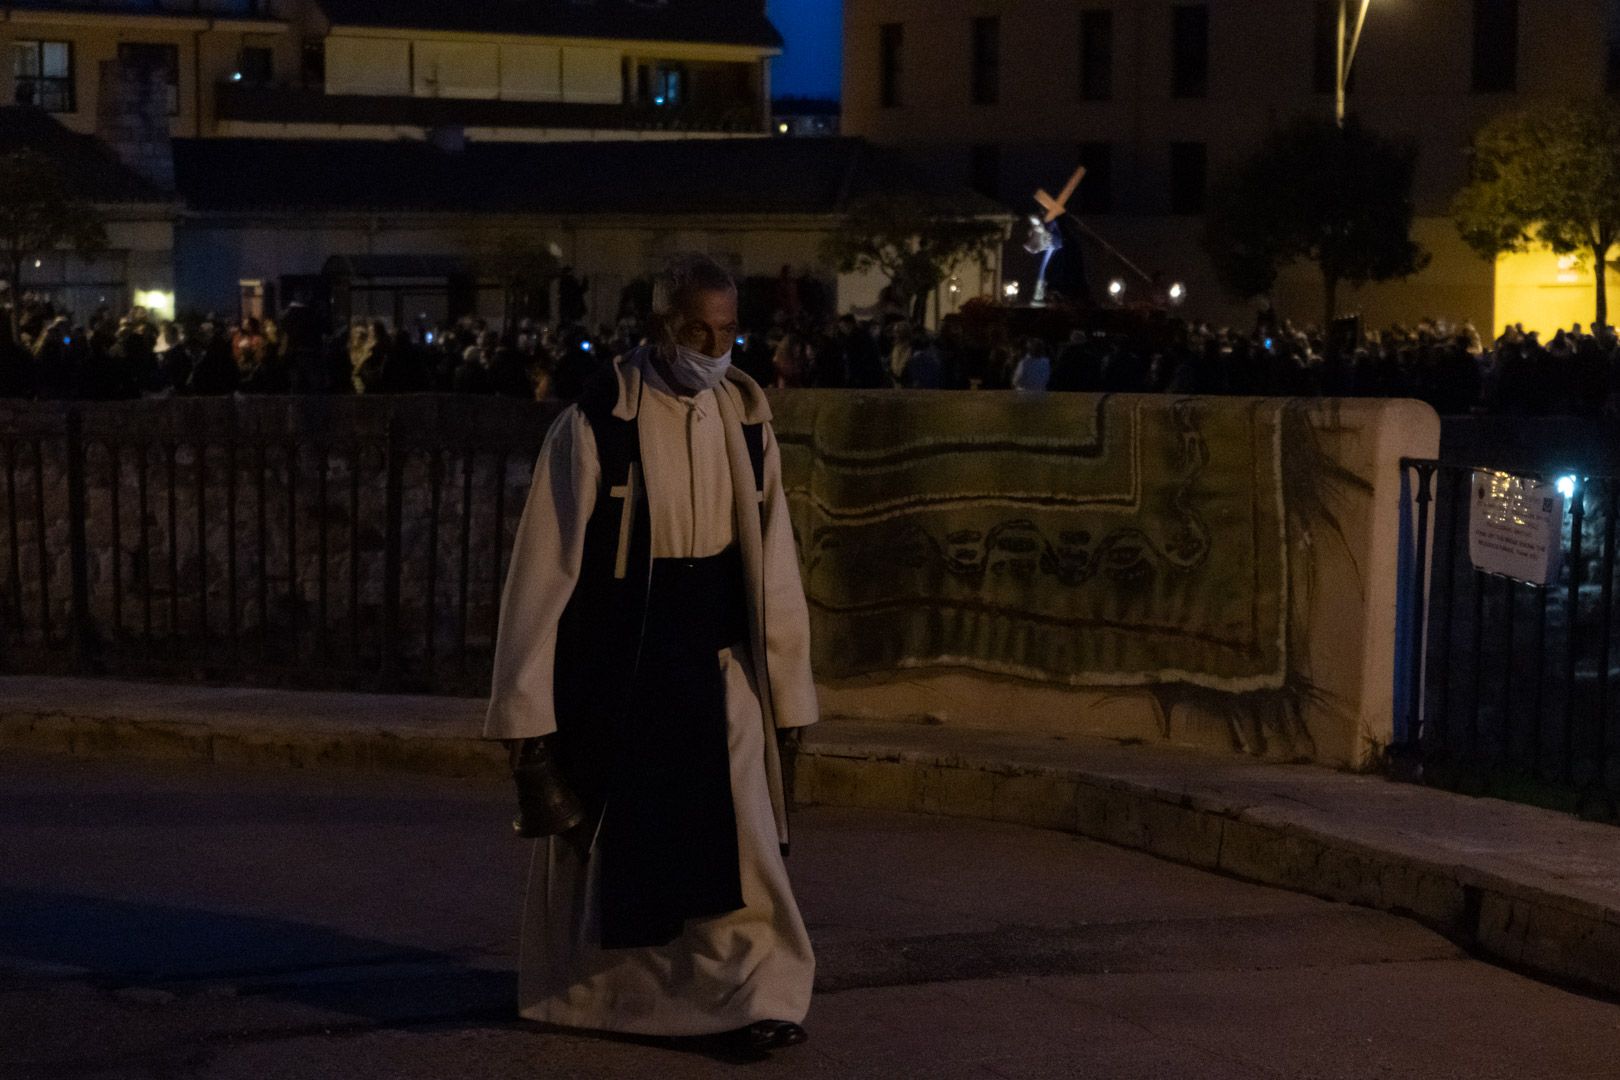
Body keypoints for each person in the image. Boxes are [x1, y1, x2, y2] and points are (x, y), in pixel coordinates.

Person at [484, 252, 818, 1056]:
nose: (713, 345)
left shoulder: (746, 417)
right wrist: (526, 721)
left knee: (743, 841)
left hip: (718, 660)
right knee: (618, 849)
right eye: (697, 329)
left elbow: (773, 560)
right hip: (624, 664)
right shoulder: (601, 421)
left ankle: (757, 992)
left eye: (727, 330)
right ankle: (606, 997)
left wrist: (790, 691)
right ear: (663, 325)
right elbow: (546, 565)